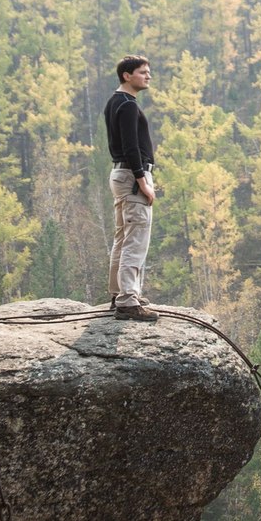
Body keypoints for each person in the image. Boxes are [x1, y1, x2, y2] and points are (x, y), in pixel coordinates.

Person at [104, 55, 158, 321]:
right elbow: (131, 147)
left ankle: (119, 293)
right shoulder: (127, 105)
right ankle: (128, 300)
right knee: (136, 239)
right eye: (143, 72)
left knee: (123, 237)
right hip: (131, 176)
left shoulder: (116, 101)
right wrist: (143, 182)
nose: (148, 76)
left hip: (120, 174)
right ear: (127, 75)